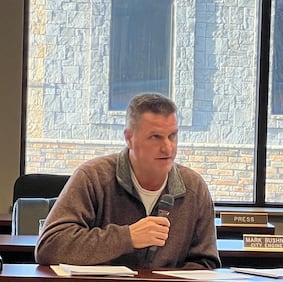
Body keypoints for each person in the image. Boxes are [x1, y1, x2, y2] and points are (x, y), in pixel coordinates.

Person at [36, 93, 221, 269]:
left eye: (172, 136)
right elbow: (50, 247)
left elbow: (206, 262)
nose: (168, 148)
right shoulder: (93, 178)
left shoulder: (194, 188)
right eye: (155, 137)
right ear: (129, 138)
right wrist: (127, 237)